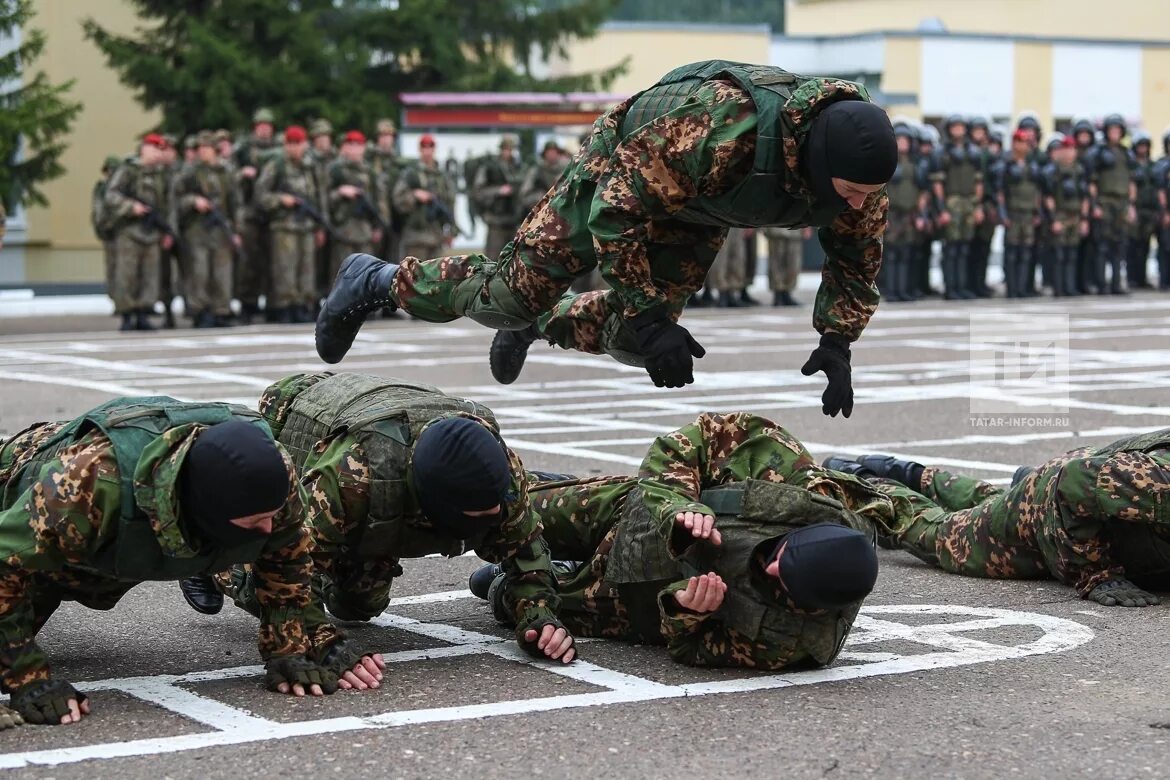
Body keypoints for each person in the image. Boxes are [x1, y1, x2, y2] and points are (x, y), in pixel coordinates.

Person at [316, 59, 896, 416]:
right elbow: (615, 214)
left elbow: (856, 259)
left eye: (865, 194)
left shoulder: (858, 175)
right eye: (847, 191)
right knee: (513, 295)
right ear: (818, 163)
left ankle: (543, 322)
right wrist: (650, 313)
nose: (855, 203)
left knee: (634, 343)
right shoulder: (725, 127)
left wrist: (837, 342)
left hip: (696, 205)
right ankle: (376, 279)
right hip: (622, 168)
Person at [0, 399, 381, 729]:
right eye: (254, 521)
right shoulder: (88, 485)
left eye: (271, 515)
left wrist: (289, 648)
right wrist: (28, 677)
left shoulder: (273, 474)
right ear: (205, 510)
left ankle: (205, 562)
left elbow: (287, 557)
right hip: (26, 480)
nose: (268, 526)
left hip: (139, 523)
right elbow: (4, 564)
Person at [191, 372, 576, 665]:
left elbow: (526, 556)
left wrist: (538, 618)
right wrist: (322, 643)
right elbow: (286, 569)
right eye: (474, 519)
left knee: (358, 607)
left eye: (491, 514)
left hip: (389, 491)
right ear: (431, 506)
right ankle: (211, 560)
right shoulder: (352, 476)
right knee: (270, 586)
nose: (485, 529)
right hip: (306, 420)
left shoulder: (502, 473)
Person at [469, 412, 882, 668]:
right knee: (494, 515)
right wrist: (680, 505)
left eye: (783, 580)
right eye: (781, 553)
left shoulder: (792, 642)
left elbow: (694, 650)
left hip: (633, 597)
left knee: (508, 598)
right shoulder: (793, 478)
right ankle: (557, 495)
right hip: (634, 514)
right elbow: (686, 443)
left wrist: (687, 612)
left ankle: (536, 575)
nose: (771, 567)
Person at [826, 427, 1170, 608]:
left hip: (1093, 490)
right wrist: (1097, 573)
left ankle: (914, 475)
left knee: (997, 504)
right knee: (942, 537)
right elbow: (1076, 482)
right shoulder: (1161, 483)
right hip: (1055, 513)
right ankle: (863, 484)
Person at [256, 125, 328, 324]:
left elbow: (319, 198)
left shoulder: (310, 167)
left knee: (306, 269)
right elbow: (261, 195)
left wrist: (320, 226)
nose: (295, 148)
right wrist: (281, 199)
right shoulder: (276, 165)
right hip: (284, 226)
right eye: (291, 144)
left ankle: (302, 305)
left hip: (306, 225)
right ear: (285, 145)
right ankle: (284, 308)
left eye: (299, 144)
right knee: (285, 269)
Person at [104, 133, 175, 331]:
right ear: (144, 149)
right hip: (129, 230)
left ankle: (144, 313)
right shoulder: (128, 169)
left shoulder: (162, 175)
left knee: (150, 276)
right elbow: (111, 195)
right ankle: (127, 315)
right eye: (155, 149)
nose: (158, 154)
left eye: (161, 150)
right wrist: (130, 207)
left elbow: (168, 205)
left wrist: (168, 231)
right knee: (127, 274)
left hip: (152, 232)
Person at [172, 130, 243, 328]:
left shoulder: (226, 172)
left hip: (221, 228)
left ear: (215, 150)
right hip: (197, 229)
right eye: (200, 148)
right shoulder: (189, 173)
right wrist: (194, 201)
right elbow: (176, 199)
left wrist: (237, 231)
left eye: (206, 148)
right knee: (200, 271)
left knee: (222, 272)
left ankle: (221, 310)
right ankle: (199, 311)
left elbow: (236, 203)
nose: (202, 152)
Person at [233, 108, 279, 322]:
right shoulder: (242, 149)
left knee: (272, 261)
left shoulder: (278, 149)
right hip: (249, 211)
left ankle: (272, 303)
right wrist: (241, 173)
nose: (264, 130)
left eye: (267, 126)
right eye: (261, 126)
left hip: (270, 213)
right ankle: (247, 303)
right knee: (249, 261)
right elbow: (228, 174)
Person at [1084, 114, 1136, 295]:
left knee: (1119, 245)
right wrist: (1095, 204)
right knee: (1102, 245)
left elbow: (1131, 181)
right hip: (1105, 201)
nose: (1115, 133)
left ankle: (1116, 283)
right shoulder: (1099, 153)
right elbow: (1092, 182)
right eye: (1112, 130)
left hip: (1121, 203)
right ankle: (1101, 283)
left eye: (1118, 130)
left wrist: (1131, 205)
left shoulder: (1126, 153)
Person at [326, 130, 385, 283]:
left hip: (364, 231)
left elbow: (379, 201)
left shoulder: (370, 172)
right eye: (350, 145)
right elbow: (323, 199)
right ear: (344, 147)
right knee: (341, 276)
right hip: (342, 231)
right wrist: (340, 192)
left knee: (365, 275)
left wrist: (378, 226)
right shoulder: (334, 170)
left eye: (358, 145)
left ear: (364, 148)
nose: (354, 149)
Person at [391, 134, 456, 262]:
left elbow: (450, 203)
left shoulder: (442, 176)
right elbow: (397, 199)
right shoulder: (410, 174)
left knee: (436, 279)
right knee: (413, 278)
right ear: (420, 149)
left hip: (436, 236)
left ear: (434, 149)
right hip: (415, 237)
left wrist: (451, 231)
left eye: (430, 147)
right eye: (424, 147)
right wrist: (414, 195)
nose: (427, 151)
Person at [1041, 134, 1090, 298]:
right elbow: (1049, 197)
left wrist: (1084, 219)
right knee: (1059, 254)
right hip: (1061, 215)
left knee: (1072, 253)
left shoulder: (1080, 170)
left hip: (1075, 215)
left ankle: (1070, 287)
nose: (1069, 153)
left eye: (1072, 149)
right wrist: (1054, 218)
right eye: (1066, 149)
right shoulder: (1053, 171)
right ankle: (1058, 287)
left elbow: (1084, 197)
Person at [997, 129, 1044, 298]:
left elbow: (1037, 191)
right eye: (1019, 142)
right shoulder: (1006, 165)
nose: (1022, 146)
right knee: (1012, 252)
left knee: (1026, 253)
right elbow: (1000, 192)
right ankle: (1012, 288)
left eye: (1025, 142)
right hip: (1013, 213)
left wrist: (1038, 212)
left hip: (1028, 214)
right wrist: (1003, 214)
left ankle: (1023, 288)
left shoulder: (1033, 166)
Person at [473, 134, 525, 260]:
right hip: (496, 221)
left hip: (514, 221)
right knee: (493, 260)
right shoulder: (490, 167)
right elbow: (478, 191)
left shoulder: (519, 167)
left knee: (514, 261)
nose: (508, 152)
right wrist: (498, 191)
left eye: (510, 149)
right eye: (505, 149)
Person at [763, 226, 811, 306]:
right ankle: (778, 293)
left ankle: (787, 292)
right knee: (776, 262)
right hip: (776, 227)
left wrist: (806, 226)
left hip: (795, 228)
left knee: (793, 263)